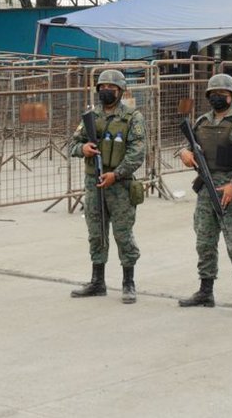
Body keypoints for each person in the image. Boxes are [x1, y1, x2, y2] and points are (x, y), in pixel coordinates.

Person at [177, 74, 232, 316]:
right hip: (206, 189)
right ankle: (205, 290)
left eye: (221, 93)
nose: (216, 97)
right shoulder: (202, 121)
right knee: (204, 241)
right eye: (213, 93)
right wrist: (185, 153)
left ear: (231, 96)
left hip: (230, 191)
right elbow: (193, 148)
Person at [68, 69, 146, 304]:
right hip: (95, 184)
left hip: (120, 186)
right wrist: (83, 149)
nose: (105, 91)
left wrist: (117, 174)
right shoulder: (91, 118)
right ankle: (97, 281)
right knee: (96, 233)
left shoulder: (132, 118)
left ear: (121, 91)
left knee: (123, 234)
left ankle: (128, 283)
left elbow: (137, 153)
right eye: (102, 88)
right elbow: (73, 143)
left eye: (110, 88)